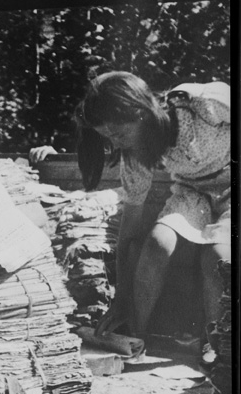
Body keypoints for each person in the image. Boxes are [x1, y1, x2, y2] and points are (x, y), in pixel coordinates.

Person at [73, 71, 230, 366]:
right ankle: (136, 340)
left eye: (119, 133)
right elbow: (129, 230)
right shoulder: (137, 155)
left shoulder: (201, 104)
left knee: (217, 257)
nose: (117, 144)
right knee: (158, 242)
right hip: (193, 192)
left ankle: (217, 347)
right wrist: (120, 298)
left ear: (140, 112)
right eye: (109, 138)